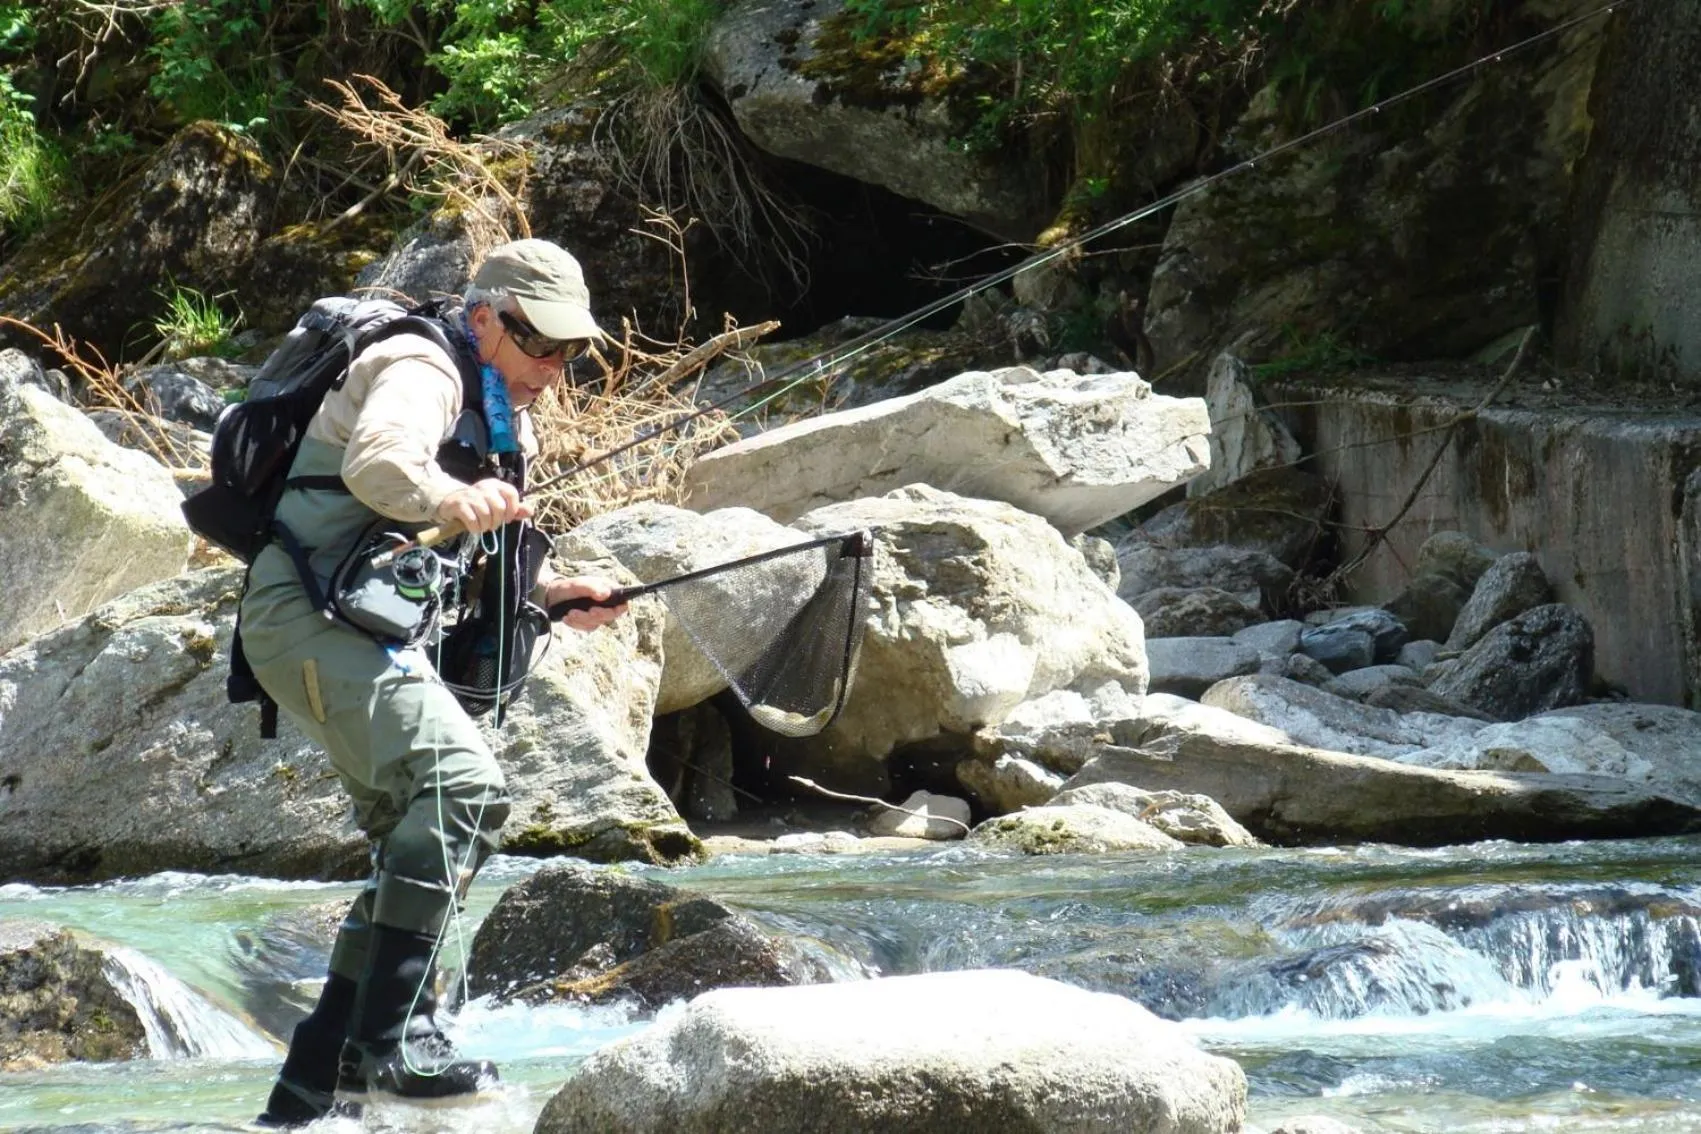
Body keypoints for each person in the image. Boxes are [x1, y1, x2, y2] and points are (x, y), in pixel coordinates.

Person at [244, 238, 627, 1127]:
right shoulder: (420, 364)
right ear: (486, 318)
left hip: (374, 629)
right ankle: (400, 1045)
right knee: (462, 789)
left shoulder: (504, 411)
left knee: (412, 844)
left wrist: (549, 592)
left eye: (570, 353)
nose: (554, 370)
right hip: (307, 616)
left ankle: (312, 1088)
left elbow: (485, 548)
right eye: (541, 346)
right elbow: (378, 464)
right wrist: (444, 497)